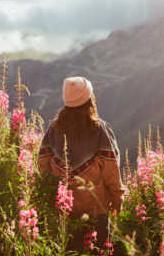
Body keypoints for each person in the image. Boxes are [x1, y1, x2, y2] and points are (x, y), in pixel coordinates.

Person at [38, 76, 125, 254]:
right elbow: (111, 170)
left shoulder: (53, 129)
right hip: (97, 210)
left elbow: (43, 167)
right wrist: (117, 199)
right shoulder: (100, 129)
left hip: (64, 211)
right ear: (90, 100)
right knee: (99, 251)